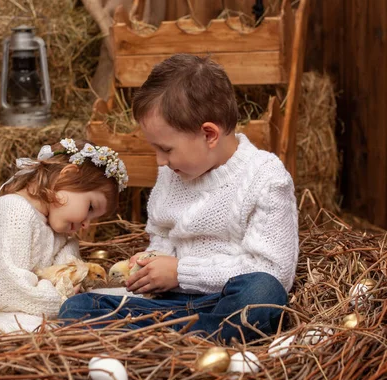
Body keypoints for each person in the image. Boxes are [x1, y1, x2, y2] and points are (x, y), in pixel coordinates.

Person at [59, 54, 299, 343]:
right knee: (77, 308)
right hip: (168, 305)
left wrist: (181, 272)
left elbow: (275, 271)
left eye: (166, 149)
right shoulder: (172, 174)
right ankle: (186, 339)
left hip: (222, 303)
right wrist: (150, 264)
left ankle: (159, 340)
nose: (160, 161)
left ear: (209, 134)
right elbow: (161, 234)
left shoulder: (265, 176)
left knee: (263, 292)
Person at [0, 138, 128, 333]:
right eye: (90, 207)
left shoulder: (60, 233)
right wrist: (58, 299)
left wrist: (72, 284)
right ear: (66, 176)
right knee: (57, 330)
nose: (86, 223)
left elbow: (68, 274)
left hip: (28, 307)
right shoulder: (14, 211)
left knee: (110, 303)